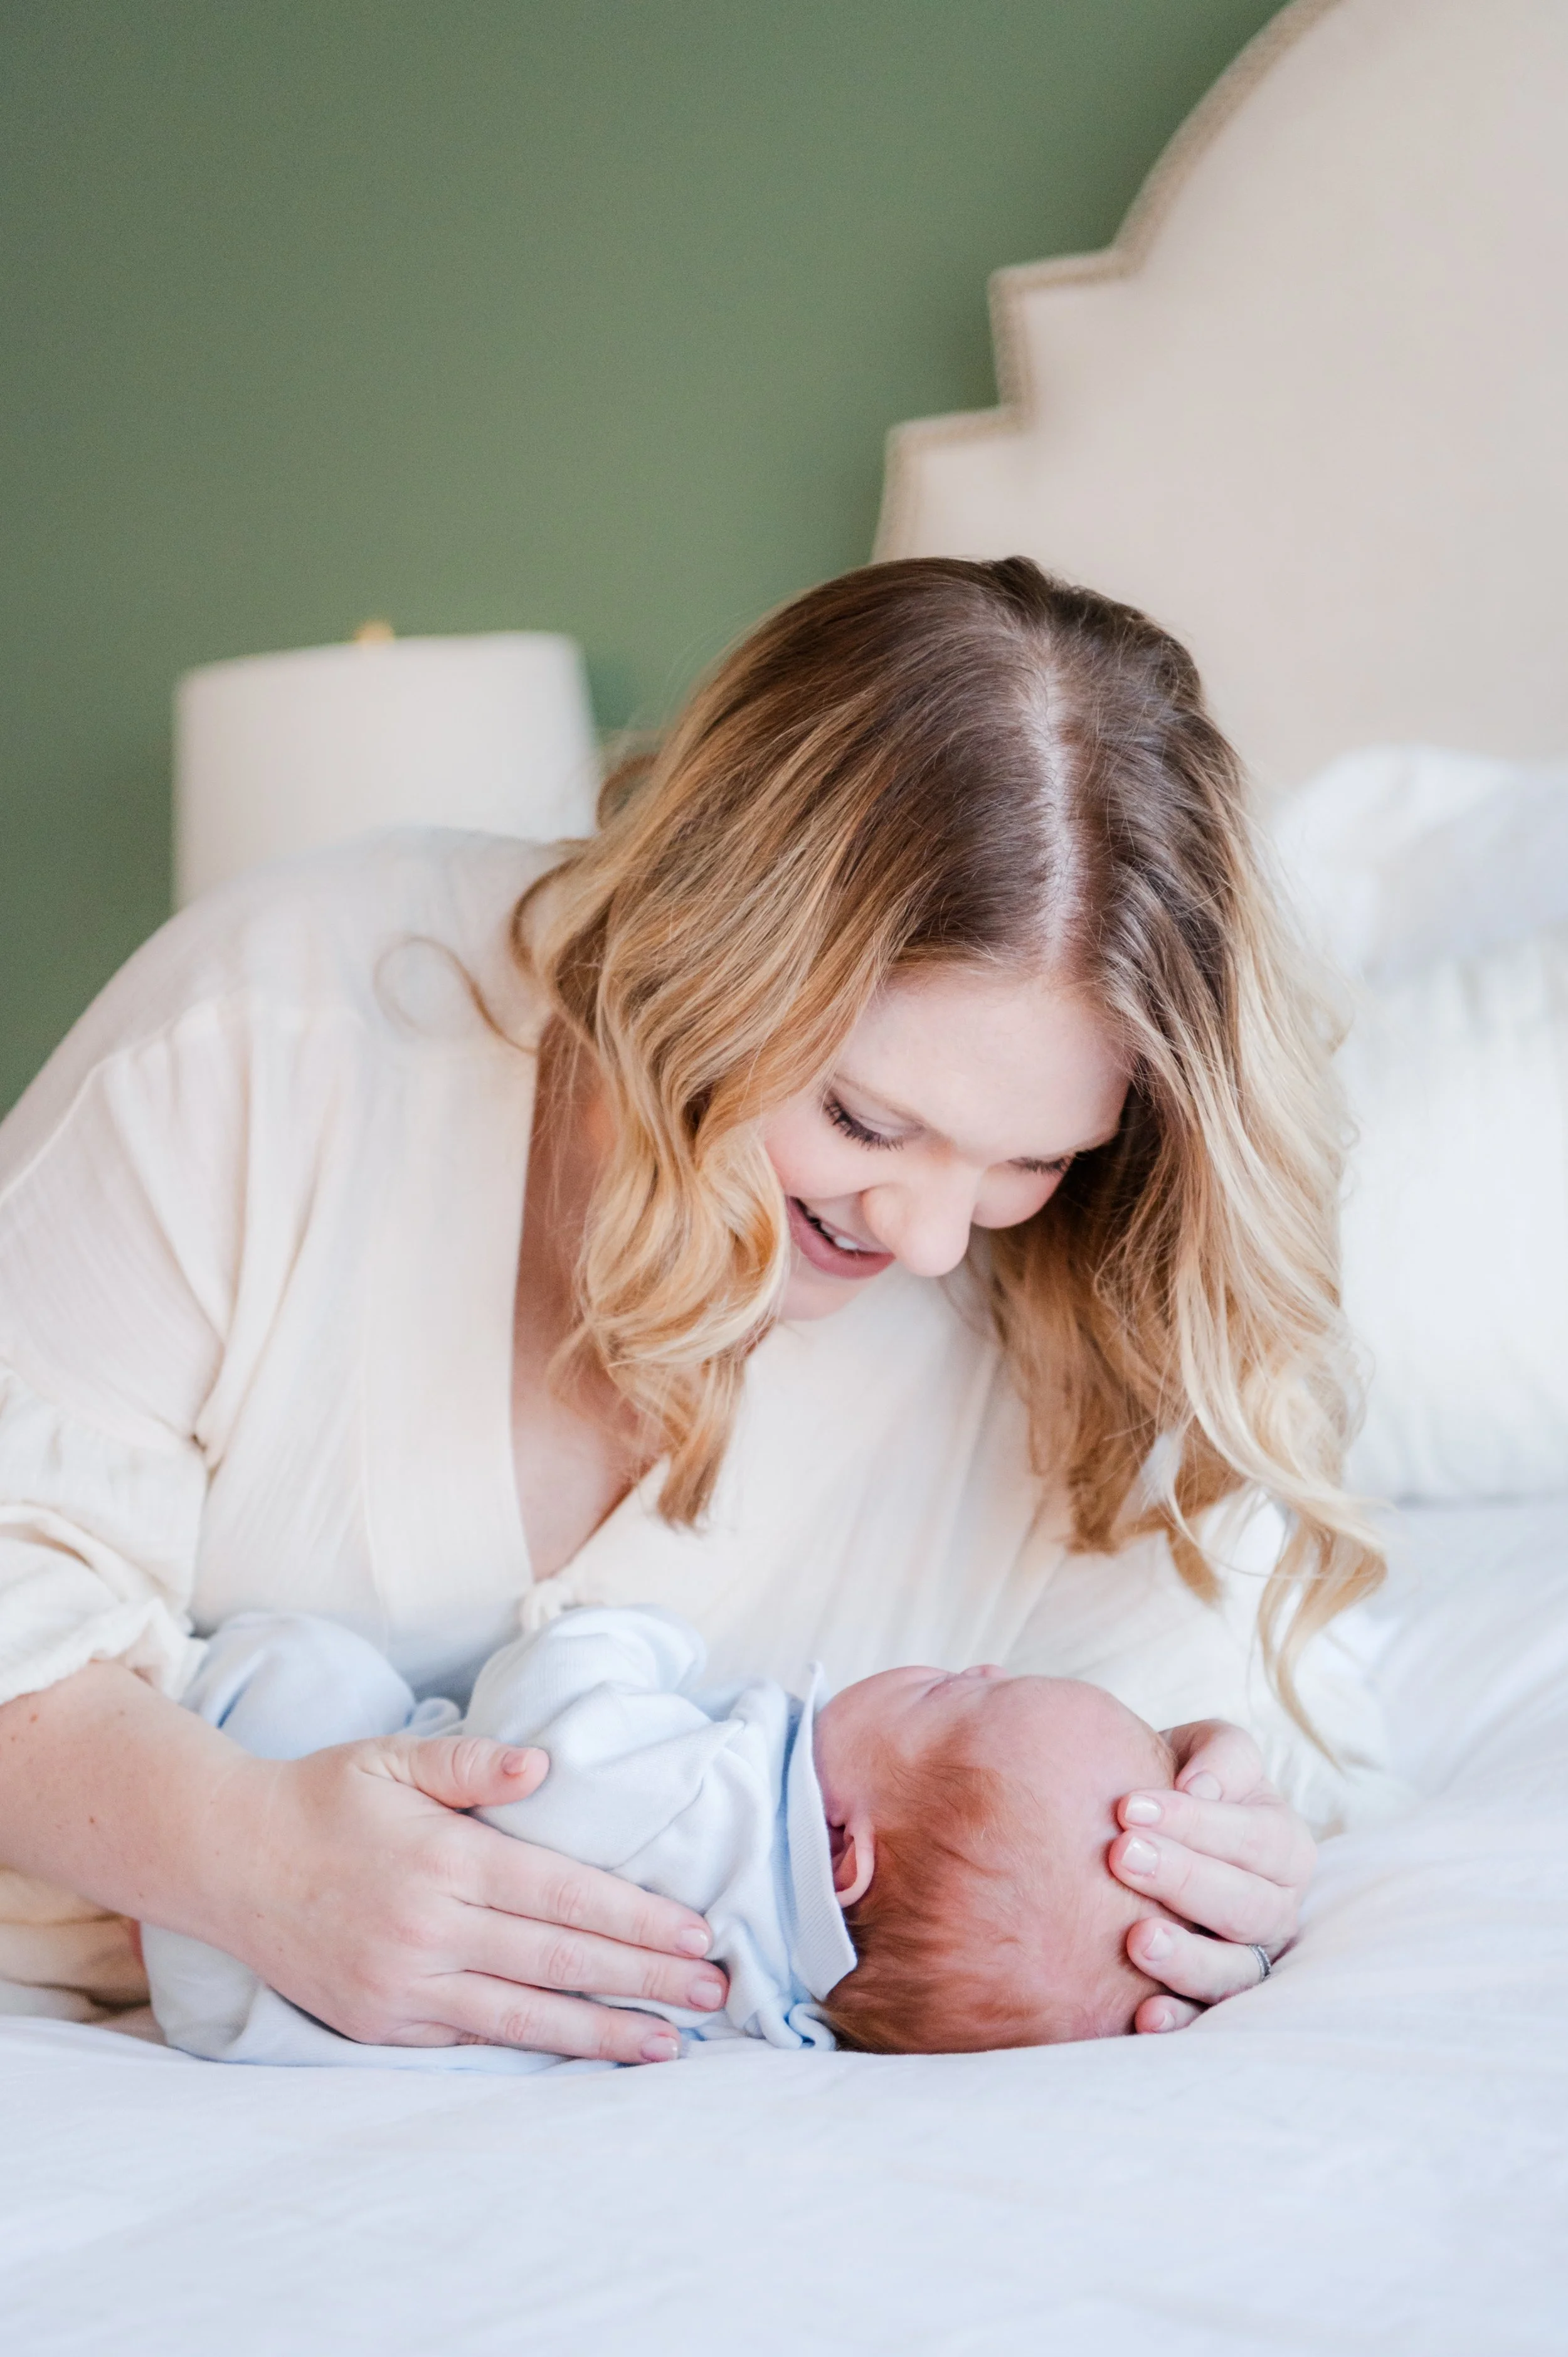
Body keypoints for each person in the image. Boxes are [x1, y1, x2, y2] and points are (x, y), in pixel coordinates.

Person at [0, 558, 1375, 2059]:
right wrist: (252, 1860)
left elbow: (1244, 1740)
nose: (927, 1239)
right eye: (860, 1119)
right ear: (704, 949)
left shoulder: (1080, 1316)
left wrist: (1211, 1843)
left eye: (1032, 1158)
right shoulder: (277, 1041)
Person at [142, 1604, 1184, 2067]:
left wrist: (632, 1633)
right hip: (284, 2018)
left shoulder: (705, 1801)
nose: (978, 1665)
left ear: (840, 1853)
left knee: (313, 1669)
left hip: (254, 1942)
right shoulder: (791, 2014)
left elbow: (540, 1731)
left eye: (953, 1692)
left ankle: (167, 1673)